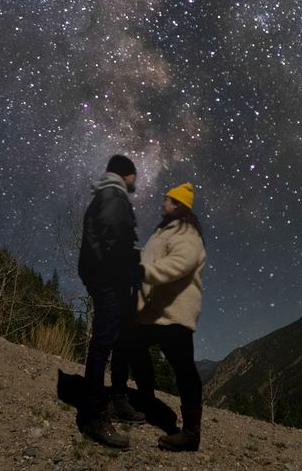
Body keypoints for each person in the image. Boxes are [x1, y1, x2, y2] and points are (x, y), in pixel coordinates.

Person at [119, 182, 207, 452]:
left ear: (179, 206)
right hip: (152, 311)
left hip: (176, 312)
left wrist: (143, 272)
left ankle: (191, 433)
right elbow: (148, 261)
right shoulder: (162, 232)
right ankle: (145, 400)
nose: (163, 203)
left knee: (183, 369)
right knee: (129, 344)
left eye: (168, 200)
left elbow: (182, 263)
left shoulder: (187, 233)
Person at [77, 154, 144, 449]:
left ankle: (117, 399)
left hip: (108, 275)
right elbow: (115, 243)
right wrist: (138, 266)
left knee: (123, 337)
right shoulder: (114, 196)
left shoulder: (107, 195)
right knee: (104, 342)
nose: (136, 182)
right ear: (126, 175)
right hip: (108, 278)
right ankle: (93, 414)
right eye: (135, 177)